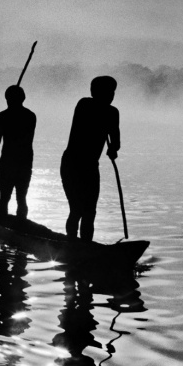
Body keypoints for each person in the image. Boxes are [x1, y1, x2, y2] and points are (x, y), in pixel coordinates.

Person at [60, 76, 120, 242]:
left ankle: (86, 245)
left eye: (113, 92)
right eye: (108, 92)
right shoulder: (84, 104)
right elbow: (99, 120)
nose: (112, 95)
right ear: (95, 92)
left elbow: (116, 141)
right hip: (72, 164)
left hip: (91, 167)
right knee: (77, 209)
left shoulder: (112, 113)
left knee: (90, 211)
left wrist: (113, 148)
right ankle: (71, 242)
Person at [0, 85, 37, 220]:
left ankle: (16, 224)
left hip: (13, 161)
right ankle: (15, 223)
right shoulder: (28, 116)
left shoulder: (6, 116)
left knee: (9, 197)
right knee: (17, 197)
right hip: (20, 161)